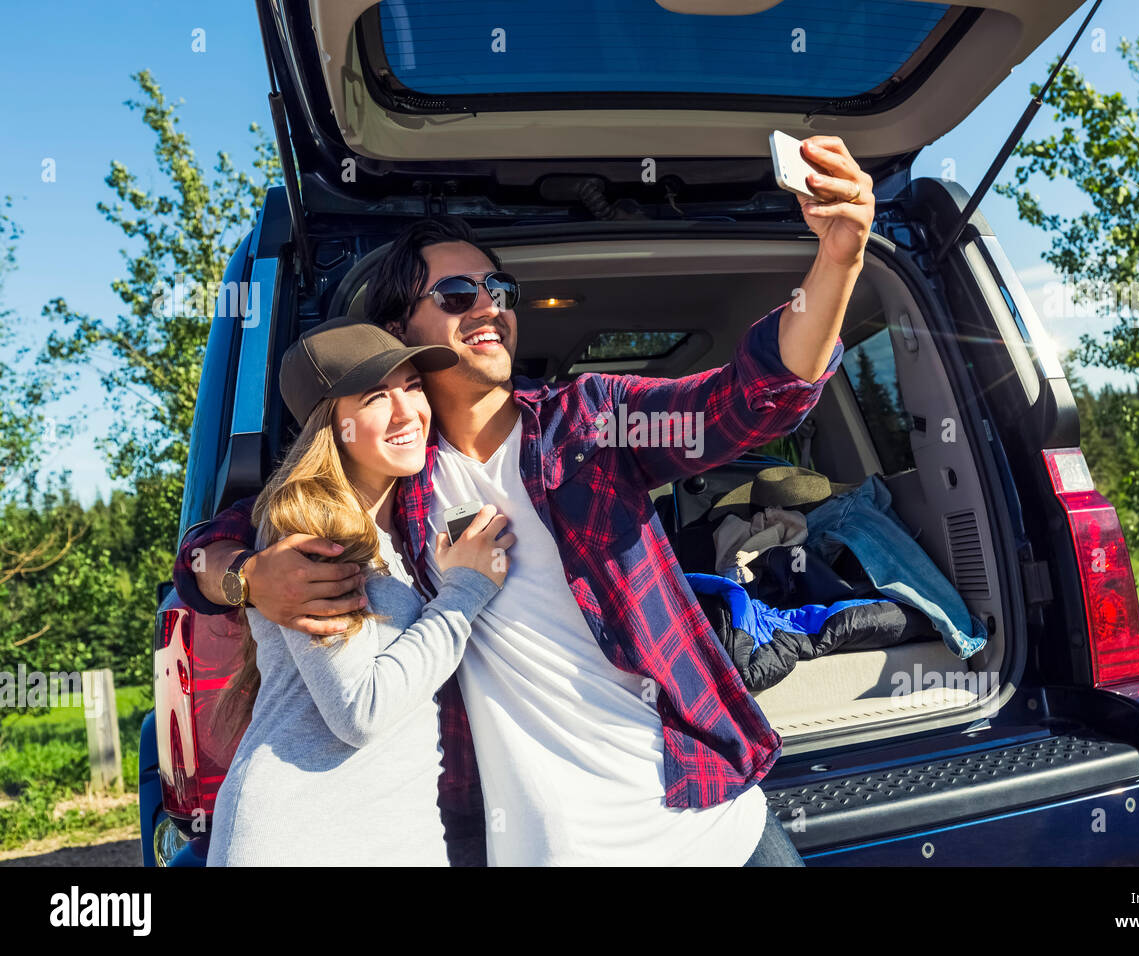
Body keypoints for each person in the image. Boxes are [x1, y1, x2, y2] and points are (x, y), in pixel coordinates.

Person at [177, 135, 876, 866]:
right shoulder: (394, 477)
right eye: (456, 296)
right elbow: (231, 535)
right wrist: (243, 577)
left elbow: (745, 402)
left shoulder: (592, 420)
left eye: (498, 291)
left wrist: (837, 262)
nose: (489, 307)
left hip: (709, 820)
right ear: (398, 335)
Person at [206, 317, 515, 866]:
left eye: (413, 387)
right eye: (375, 397)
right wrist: (465, 591)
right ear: (332, 426)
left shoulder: (404, 528)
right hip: (301, 840)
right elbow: (361, 710)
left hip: (397, 834)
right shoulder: (310, 527)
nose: (407, 413)